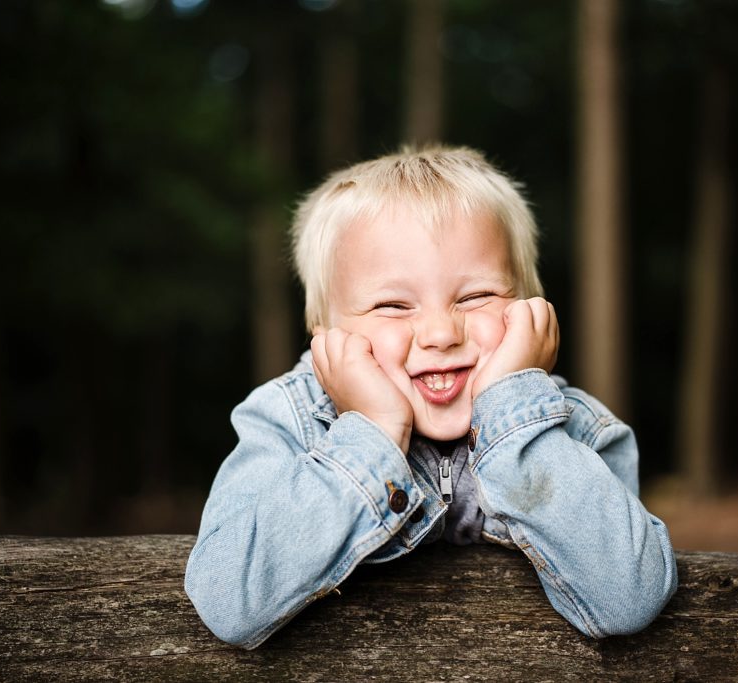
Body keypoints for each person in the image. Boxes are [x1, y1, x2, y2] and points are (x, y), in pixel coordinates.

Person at [185, 146, 678, 649]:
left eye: (476, 296)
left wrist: (512, 411)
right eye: (393, 305)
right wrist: (373, 430)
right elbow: (230, 602)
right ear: (326, 339)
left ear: (529, 309)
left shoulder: (577, 429)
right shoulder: (287, 419)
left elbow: (628, 597)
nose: (441, 333)